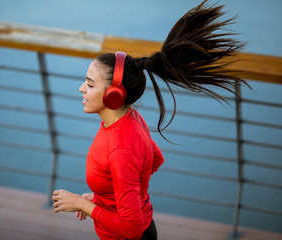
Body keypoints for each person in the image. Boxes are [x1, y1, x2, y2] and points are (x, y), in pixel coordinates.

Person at [52, 1, 249, 239]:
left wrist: (84, 205)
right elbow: (155, 158)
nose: (81, 88)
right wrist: (103, 198)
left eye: (90, 84)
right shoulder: (131, 118)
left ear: (114, 95)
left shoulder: (120, 148)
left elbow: (132, 229)